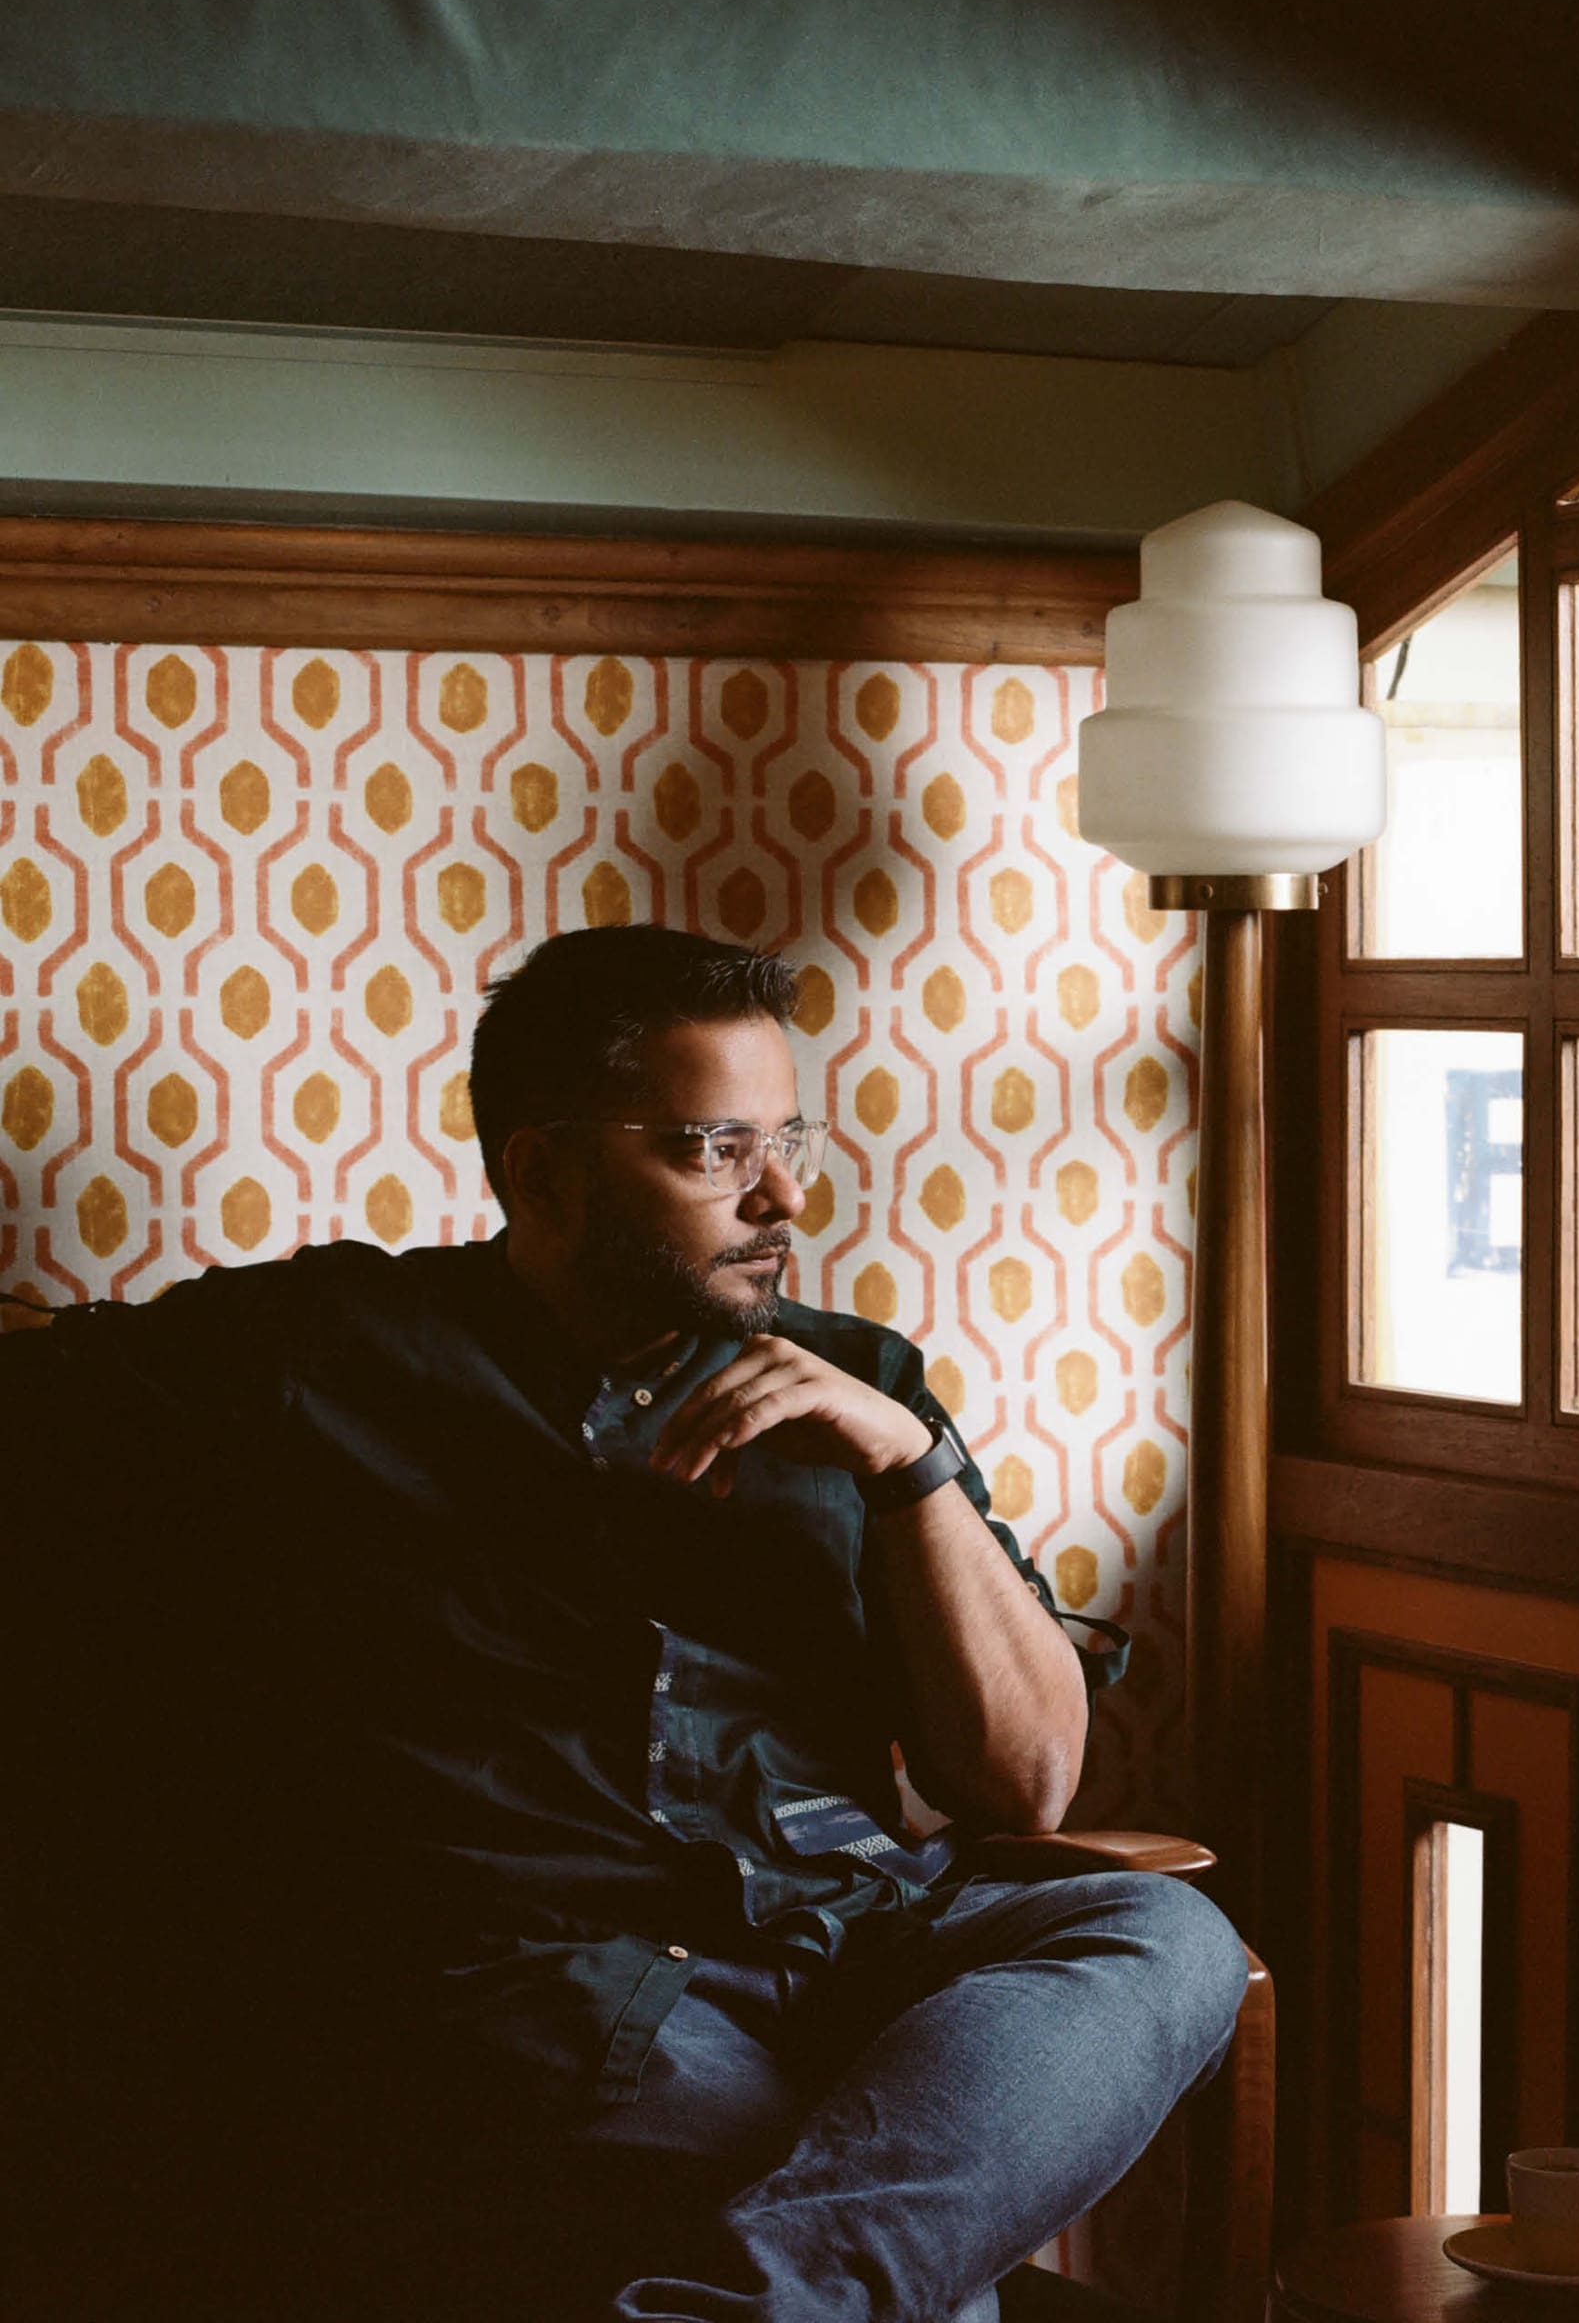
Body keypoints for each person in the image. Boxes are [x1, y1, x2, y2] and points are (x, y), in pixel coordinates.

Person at [1, 925, 1246, 2323]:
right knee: (879, 2206)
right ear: (542, 1171)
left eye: (790, 1140)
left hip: (856, 1932)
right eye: (716, 1151)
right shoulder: (324, 1354)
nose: (784, 1197)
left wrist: (912, 1465)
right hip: (555, 1982)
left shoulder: (855, 1381)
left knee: (1166, 1937)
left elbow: (1024, 1783)